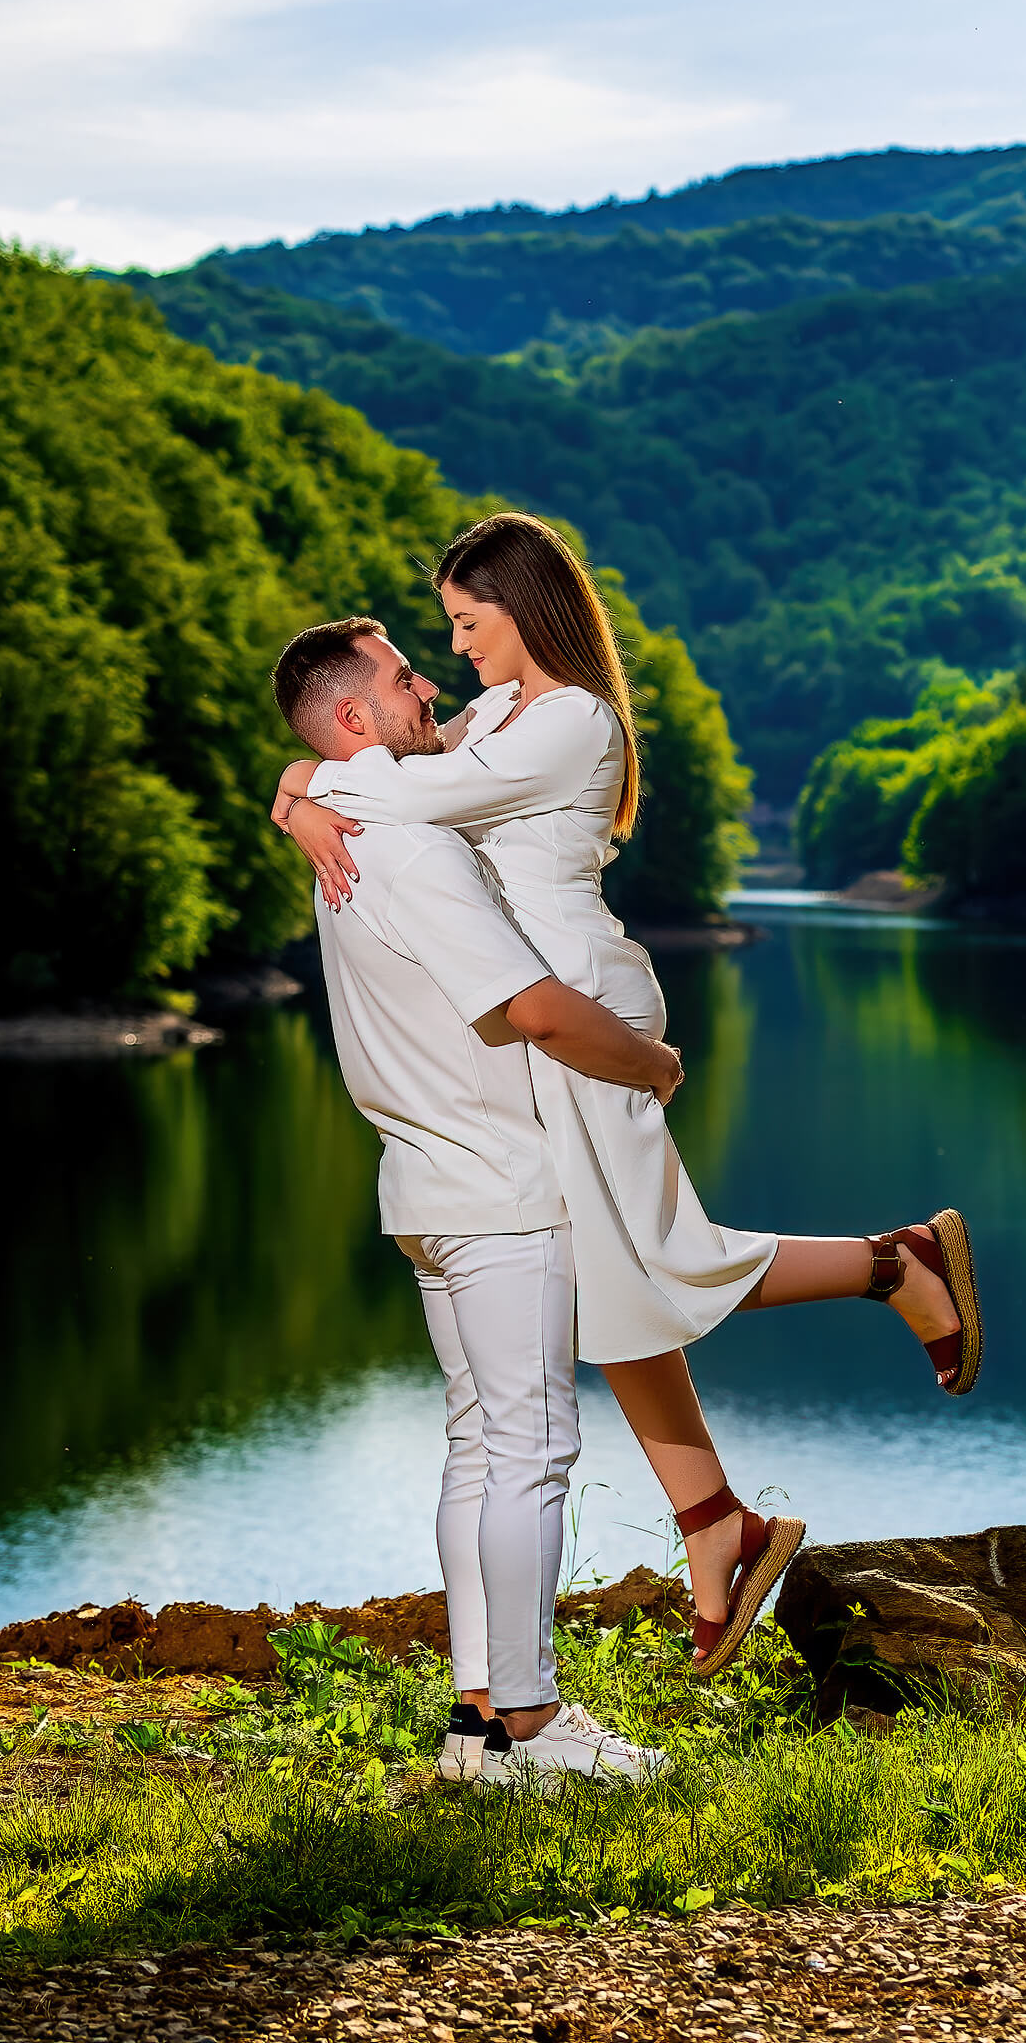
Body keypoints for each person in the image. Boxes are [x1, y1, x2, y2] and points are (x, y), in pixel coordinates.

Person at [273, 517, 983, 1676]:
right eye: (445, 628)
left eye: (467, 620)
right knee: (609, 1281)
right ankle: (717, 1525)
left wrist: (303, 793)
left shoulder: (570, 721)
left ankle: (893, 1263)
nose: (454, 650)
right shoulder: (495, 715)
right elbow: (381, 755)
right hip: (533, 1011)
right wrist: (306, 782)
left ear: (526, 605)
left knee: (656, 1257)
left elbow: (404, 791)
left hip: (577, 1008)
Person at [270, 619, 677, 1785]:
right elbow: (531, 1007)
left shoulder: (347, 822)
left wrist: (294, 791)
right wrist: (650, 1063)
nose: (429, 685)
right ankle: (533, 1726)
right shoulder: (408, 845)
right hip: (497, 1186)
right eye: (405, 677)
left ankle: (477, 1723)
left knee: (479, 1445)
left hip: (423, 1183)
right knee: (533, 1447)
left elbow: (318, 776)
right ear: (357, 716)